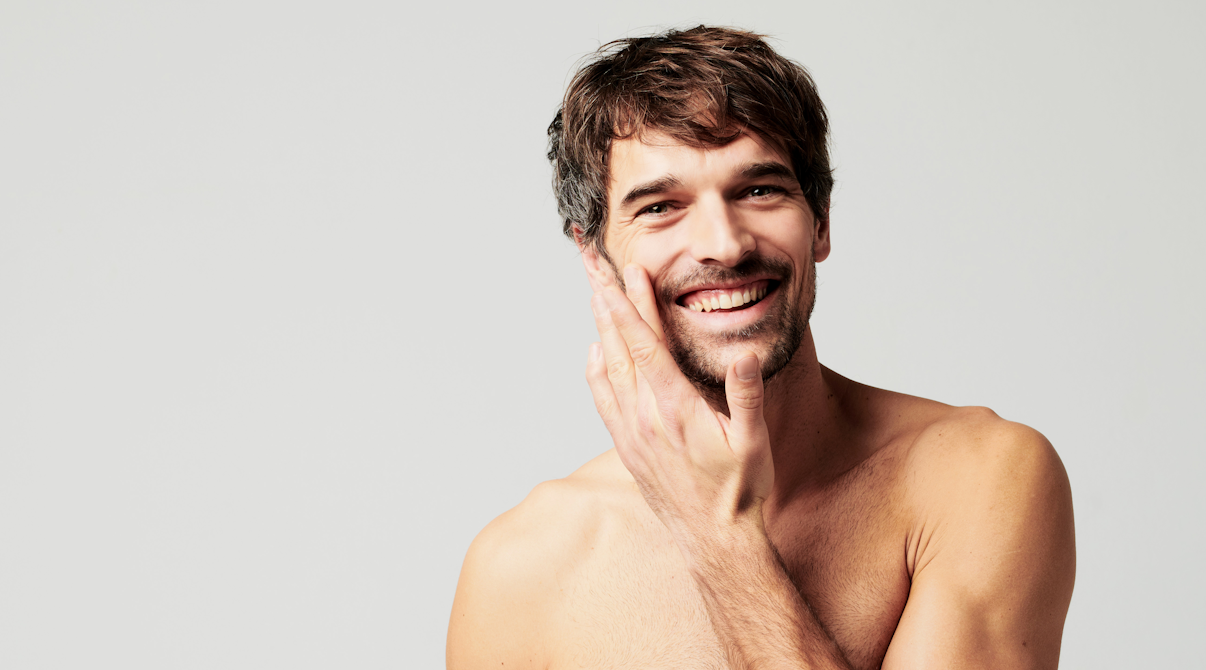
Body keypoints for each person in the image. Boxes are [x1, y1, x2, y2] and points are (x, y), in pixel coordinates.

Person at [447, 26, 1075, 670]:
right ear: (594, 255)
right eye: (660, 206)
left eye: (759, 190)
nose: (725, 244)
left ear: (820, 220)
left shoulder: (980, 477)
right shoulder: (520, 573)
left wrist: (715, 529)